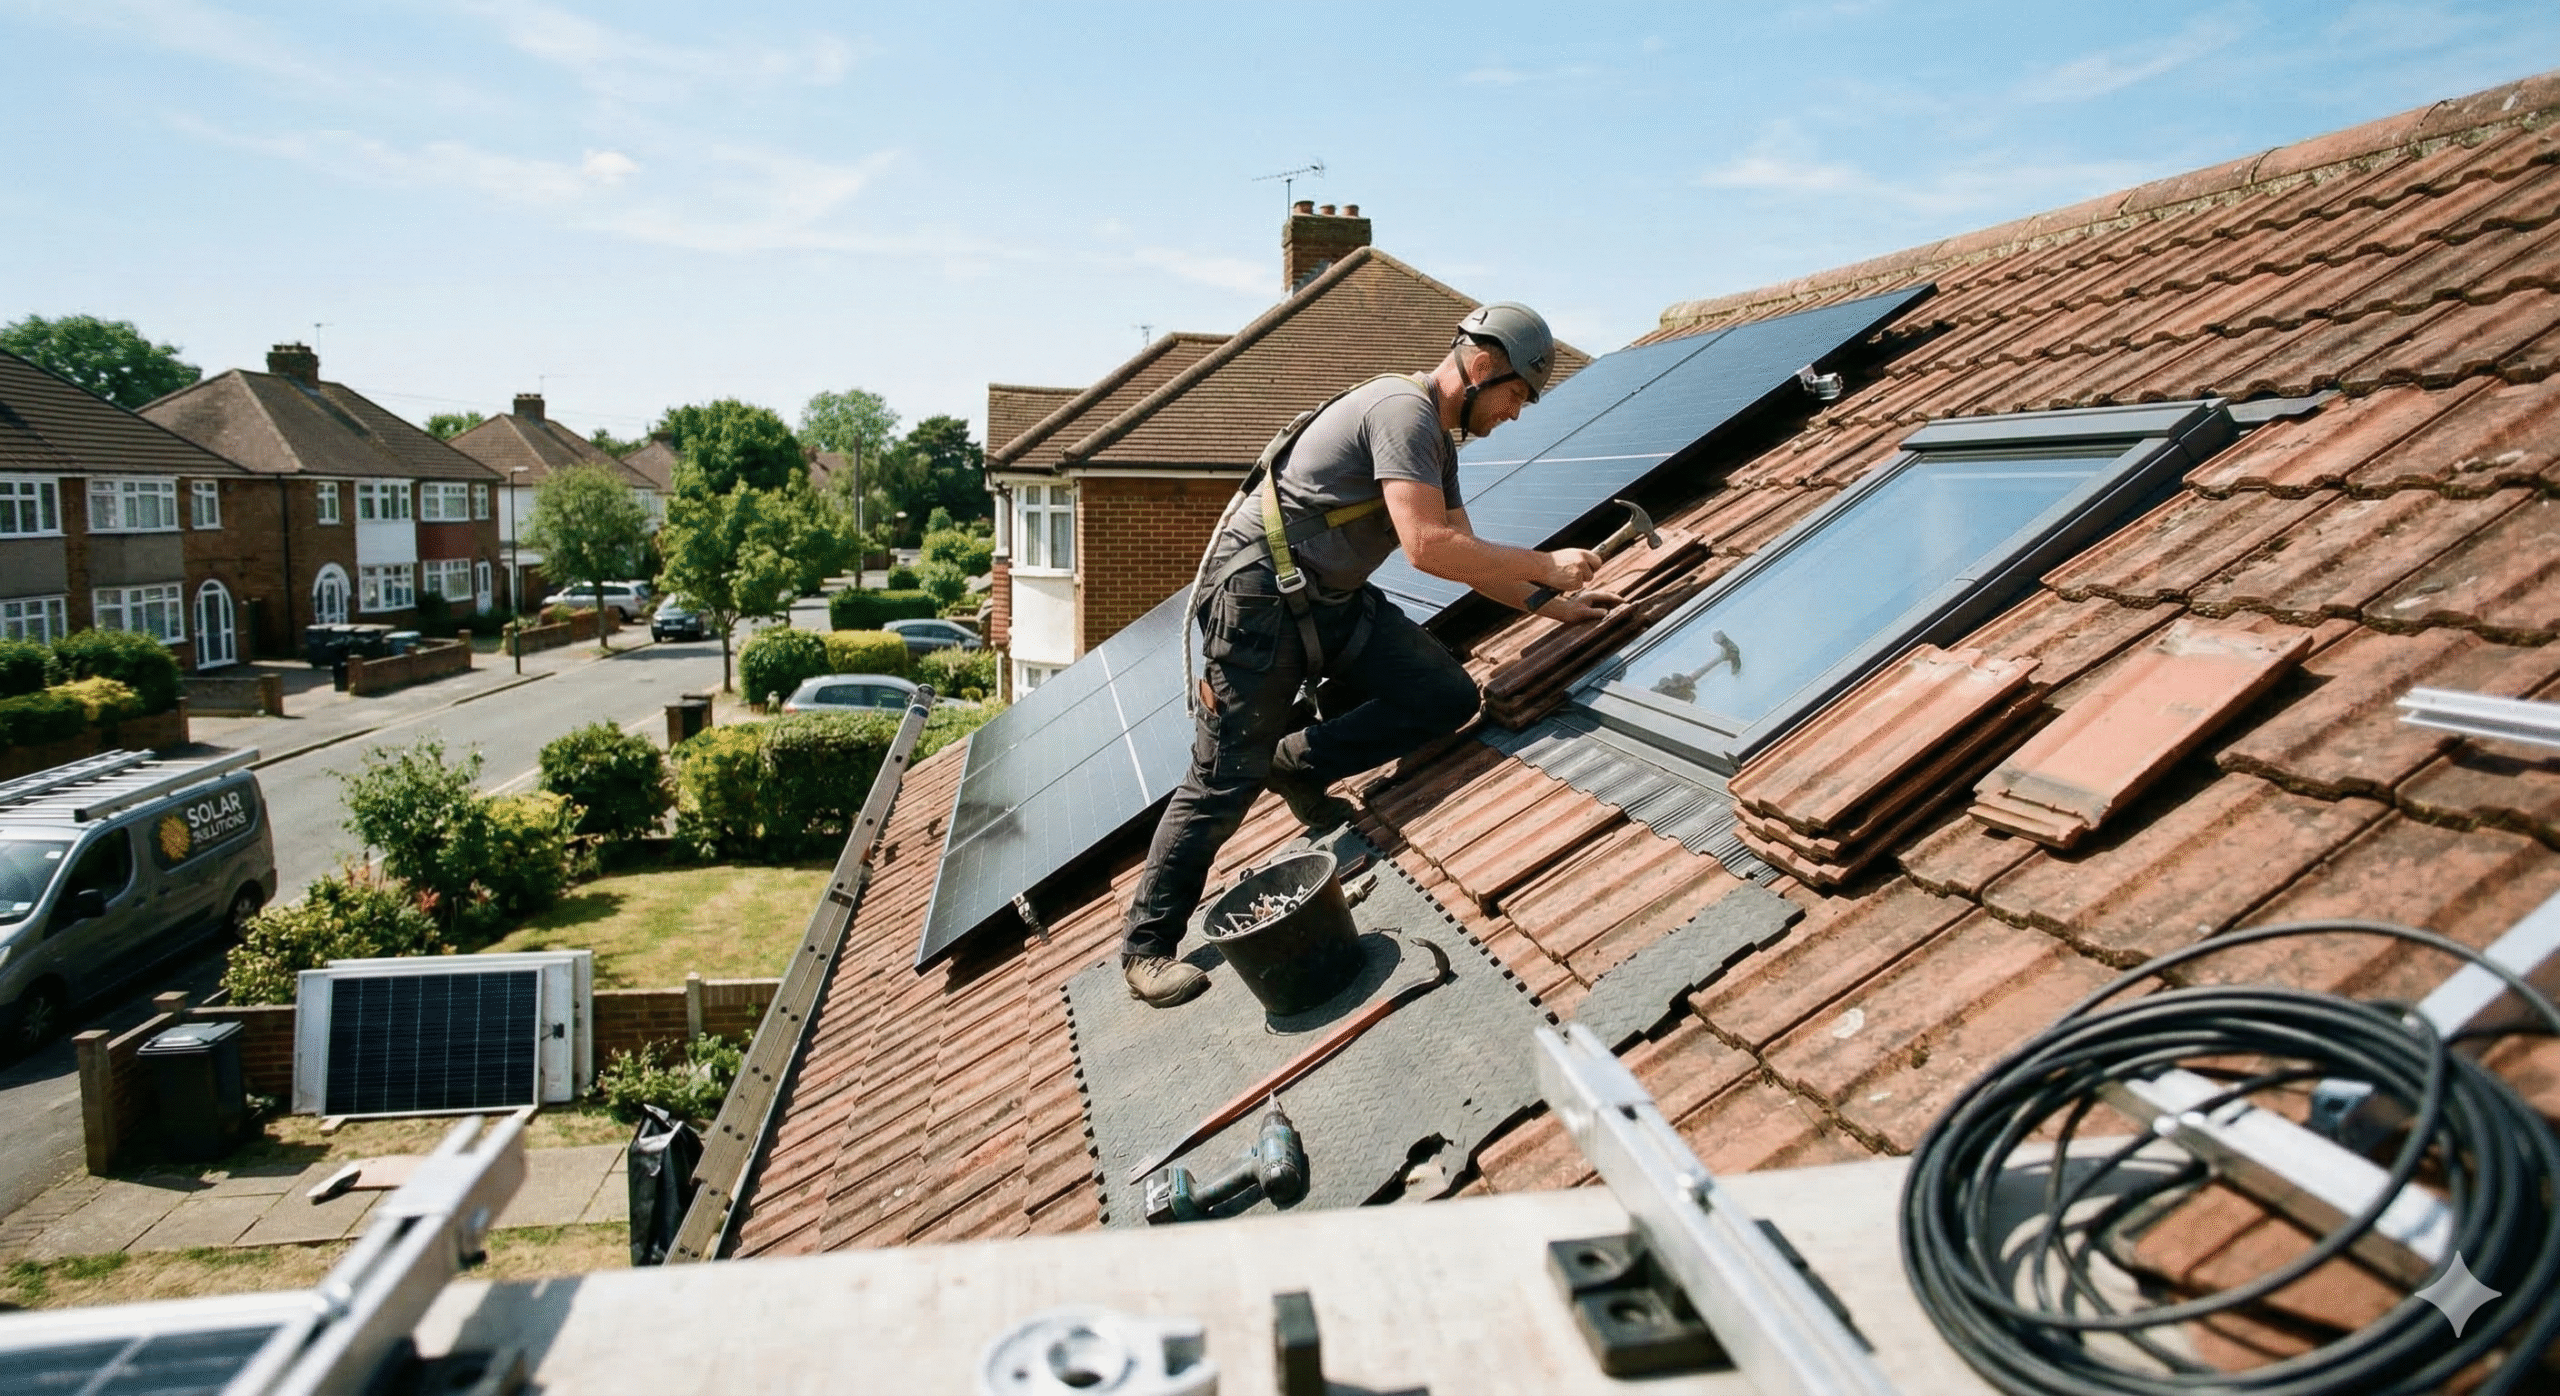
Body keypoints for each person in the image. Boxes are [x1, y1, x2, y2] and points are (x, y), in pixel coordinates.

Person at [1121, 303, 1619, 1007]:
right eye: (1517, 395)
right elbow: (1425, 546)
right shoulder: (1402, 413)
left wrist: (1551, 603)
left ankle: (1301, 764)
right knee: (1226, 774)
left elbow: (1467, 557)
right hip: (1260, 603)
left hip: (1331, 600)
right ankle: (1146, 948)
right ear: (1483, 367)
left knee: (1446, 696)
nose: (1516, 413)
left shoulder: (1436, 440)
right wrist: (1546, 562)